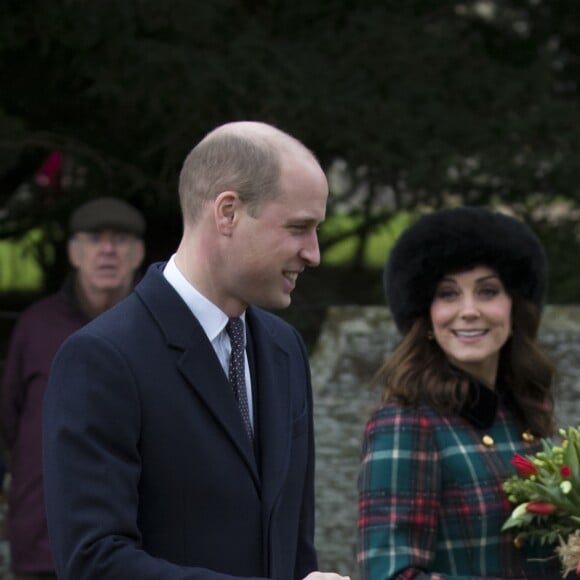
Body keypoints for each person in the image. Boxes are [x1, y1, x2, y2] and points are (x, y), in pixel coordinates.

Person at [42, 121, 349, 580]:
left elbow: (293, 546)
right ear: (227, 212)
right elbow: (94, 563)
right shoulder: (103, 358)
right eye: (299, 227)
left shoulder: (284, 349)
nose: (314, 253)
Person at [356, 206, 562, 579]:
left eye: (487, 291)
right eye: (448, 294)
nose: (468, 311)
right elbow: (390, 574)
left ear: (514, 308)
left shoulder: (528, 411)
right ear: (427, 315)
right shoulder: (405, 422)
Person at [0, 196, 146, 580]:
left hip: (137, 552)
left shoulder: (157, 330)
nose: (108, 250)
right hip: (41, 545)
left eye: (120, 239)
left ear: (138, 253)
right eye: (95, 239)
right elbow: (10, 423)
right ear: (74, 252)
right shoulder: (36, 326)